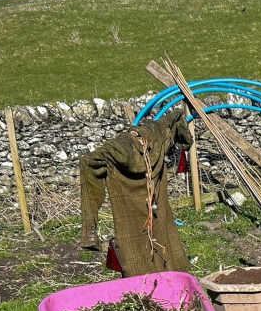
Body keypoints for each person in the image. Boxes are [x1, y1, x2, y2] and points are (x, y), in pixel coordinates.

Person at [79, 110, 194, 276]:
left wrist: (89, 233)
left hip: (132, 209)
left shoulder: (116, 151)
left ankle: (146, 284)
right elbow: (175, 117)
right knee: (162, 240)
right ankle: (169, 277)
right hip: (154, 202)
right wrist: (186, 142)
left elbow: (88, 162)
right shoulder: (157, 134)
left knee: (136, 251)